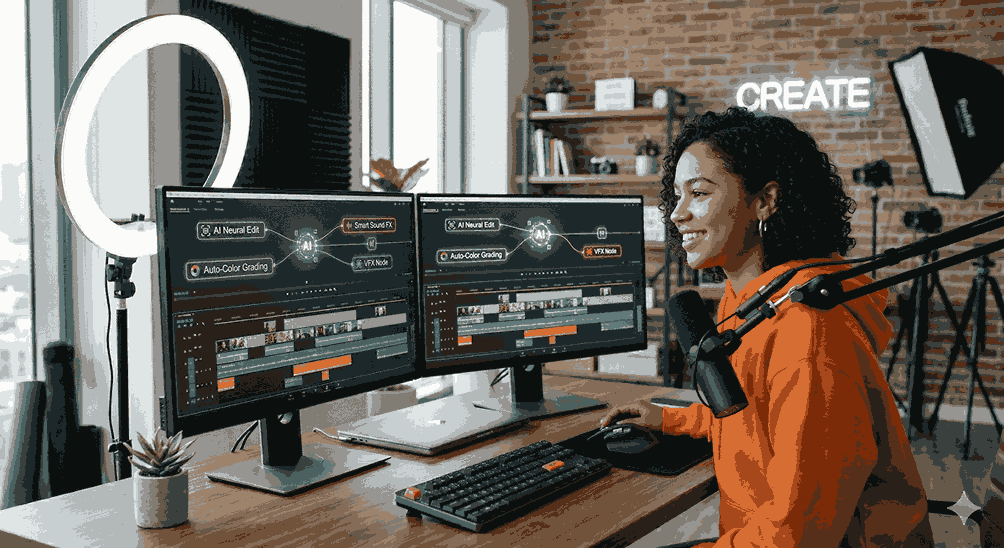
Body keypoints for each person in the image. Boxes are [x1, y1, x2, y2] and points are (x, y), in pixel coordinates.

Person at [600, 107, 934, 547]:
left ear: (764, 202)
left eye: (698, 193)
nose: (677, 214)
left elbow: (799, 534)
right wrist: (672, 419)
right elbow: (756, 411)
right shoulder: (750, 296)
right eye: (676, 196)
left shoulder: (808, 334)